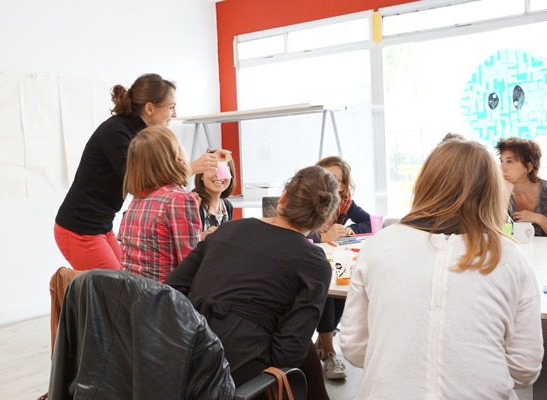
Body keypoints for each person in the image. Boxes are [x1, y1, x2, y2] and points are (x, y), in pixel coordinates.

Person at [339, 139, 543, 399]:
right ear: (490, 189)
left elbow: (354, 347)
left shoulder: (378, 246)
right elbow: (524, 369)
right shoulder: (510, 256)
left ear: (426, 182)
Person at [166, 166, 341, 400]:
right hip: (239, 377)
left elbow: (171, 290)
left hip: (182, 358)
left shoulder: (227, 229)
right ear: (326, 218)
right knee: (305, 354)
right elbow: (288, 353)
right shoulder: (315, 263)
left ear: (284, 197)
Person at [54, 73, 226, 270]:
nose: (175, 114)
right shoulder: (117, 133)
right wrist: (191, 169)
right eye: (171, 107)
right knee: (118, 291)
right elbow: (142, 184)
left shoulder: (138, 135)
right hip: (80, 229)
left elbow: (156, 181)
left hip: (103, 227)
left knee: (127, 282)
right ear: (150, 108)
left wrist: (203, 163)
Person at [306, 156, 371, 380]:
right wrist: (322, 235)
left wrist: (348, 228)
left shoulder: (345, 203)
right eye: (323, 175)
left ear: (343, 185)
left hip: (334, 258)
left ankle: (322, 345)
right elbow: (295, 231)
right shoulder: (307, 200)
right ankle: (330, 351)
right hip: (311, 261)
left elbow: (370, 222)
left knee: (343, 288)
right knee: (327, 288)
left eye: (334, 178)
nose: (327, 181)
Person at [118, 126, 201, 283]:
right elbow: (191, 265)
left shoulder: (136, 202)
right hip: (166, 299)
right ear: (176, 157)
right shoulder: (179, 200)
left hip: (133, 296)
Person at [496, 136, 547, 236]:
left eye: (509, 161)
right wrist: (505, 195)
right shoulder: (499, 193)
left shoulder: (545, 190)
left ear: (528, 167)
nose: (502, 168)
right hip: (515, 251)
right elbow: (496, 233)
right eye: (501, 161)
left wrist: (539, 218)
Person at [192, 158, 236, 241]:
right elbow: (183, 243)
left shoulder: (227, 206)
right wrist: (201, 237)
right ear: (201, 175)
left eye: (223, 169)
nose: (218, 175)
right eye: (212, 168)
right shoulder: (194, 202)